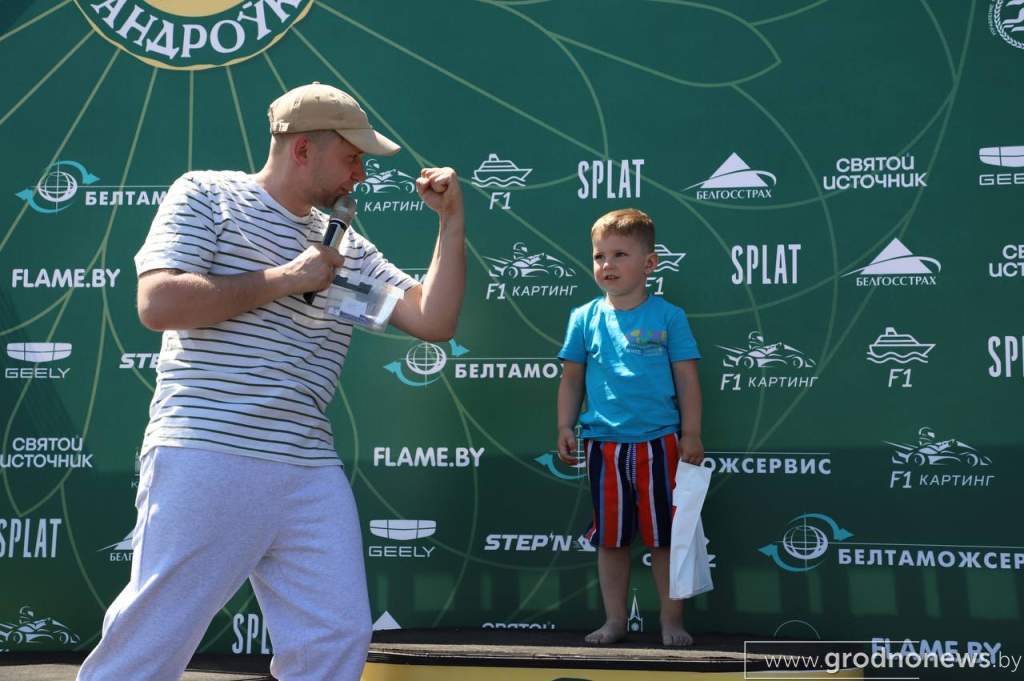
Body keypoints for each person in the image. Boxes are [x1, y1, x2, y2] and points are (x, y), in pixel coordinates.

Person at [77, 82, 466, 681]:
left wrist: (450, 223)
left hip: (309, 466)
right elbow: (157, 303)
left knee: (335, 637)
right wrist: (287, 277)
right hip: (209, 448)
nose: (360, 174)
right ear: (302, 149)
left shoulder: (349, 249)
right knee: (154, 638)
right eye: (352, 157)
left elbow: (433, 320)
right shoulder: (207, 195)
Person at [556, 208, 703, 647]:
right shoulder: (583, 317)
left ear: (650, 263)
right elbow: (571, 378)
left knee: (665, 540)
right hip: (603, 445)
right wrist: (565, 424)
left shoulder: (669, 316)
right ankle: (615, 621)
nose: (607, 265)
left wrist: (691, 432)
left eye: (620, 254)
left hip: (661, 443)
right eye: (600, 256)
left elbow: (687, 378)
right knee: (611, 541)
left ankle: (671, 622)